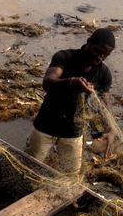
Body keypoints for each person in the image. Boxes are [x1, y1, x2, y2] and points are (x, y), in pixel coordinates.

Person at [26, 28, 116, 175]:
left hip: (73, 131)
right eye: (98, 51)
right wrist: (71, 82)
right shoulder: (64, 57)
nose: (101, 57)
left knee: (70, 175)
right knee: (29, 167)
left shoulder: (103, 73)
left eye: (106, 55)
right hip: (45, 125)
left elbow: (106, 104)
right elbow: (47, 82)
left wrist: (112, 130)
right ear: (88, 42)